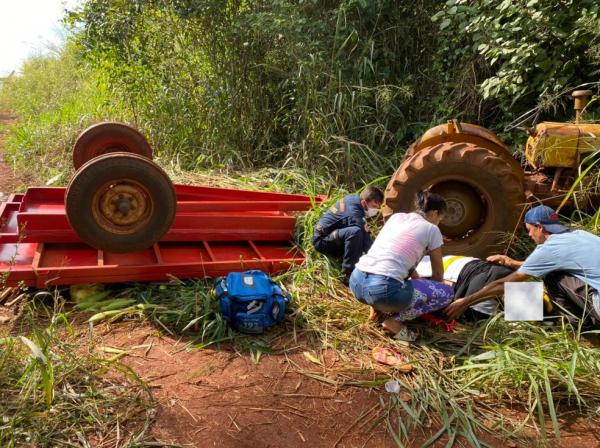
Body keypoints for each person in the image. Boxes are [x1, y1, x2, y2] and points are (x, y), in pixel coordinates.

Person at [444, 205, 600, 326]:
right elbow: (552, 261)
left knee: (553, 277)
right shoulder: (581, 235)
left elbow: (502, 285)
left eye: (529, 230)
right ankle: (552, 320)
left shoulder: (549, 248)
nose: (530, 235)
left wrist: (465, 301)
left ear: (539, 227)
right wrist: (512, 263)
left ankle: (583, 331)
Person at [349, 191, 454, 340]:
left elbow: (395, 256)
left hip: (356, 282)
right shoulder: (432, 229)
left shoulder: (396, 217)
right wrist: (431, 290)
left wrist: (417, 280)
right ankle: (394, 321)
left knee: (387, 272)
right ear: (435, 214)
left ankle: (376, 312)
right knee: (447, 293)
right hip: (382, 291)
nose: (439, 222)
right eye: (440, 219)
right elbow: (437, 275)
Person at [312, 186, 384, 282]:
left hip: (332, 234)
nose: (375, 210)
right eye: (374, 207)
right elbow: (366, 241)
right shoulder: (353, 213)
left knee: (358, 234)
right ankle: (348, 274)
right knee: (355, 232)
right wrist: (379, 260)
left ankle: (349, 261)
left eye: (378, 208)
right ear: (364, 203)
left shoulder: (354, 199)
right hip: (322, 241)